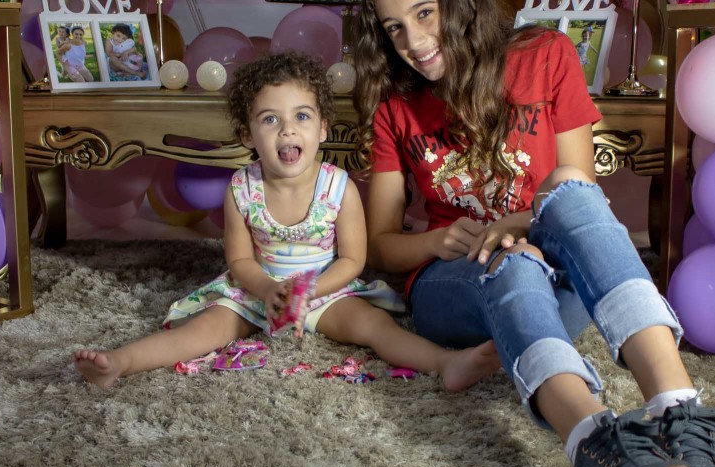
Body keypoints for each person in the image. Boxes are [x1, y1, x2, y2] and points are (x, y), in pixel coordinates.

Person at [354, 0, 715, 467]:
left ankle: (680, 414)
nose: (413, 41)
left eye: (424, 13)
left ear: (459, 2)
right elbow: (381, 245)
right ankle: (595, 448)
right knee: (512, 263)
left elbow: (577, 189)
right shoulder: (395, 107)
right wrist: (436, 242)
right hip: (452, 286)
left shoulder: (545, 55)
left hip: (555, 278)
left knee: (566, 187)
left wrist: (521, 222)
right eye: (394, 28)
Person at [73, 51, 500, 391]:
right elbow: (240, 261)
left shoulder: (339, 187)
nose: (287, 130)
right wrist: (268, 291)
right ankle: (121, 362)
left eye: (301, 116)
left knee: (374, 326)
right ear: (247, 135)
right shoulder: (242, 188)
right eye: (270, 119)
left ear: (323, 129)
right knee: (204, 330)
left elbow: (353, 260)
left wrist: (308, 291)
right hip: (258, 291)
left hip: (325, 291)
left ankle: (446, 363)